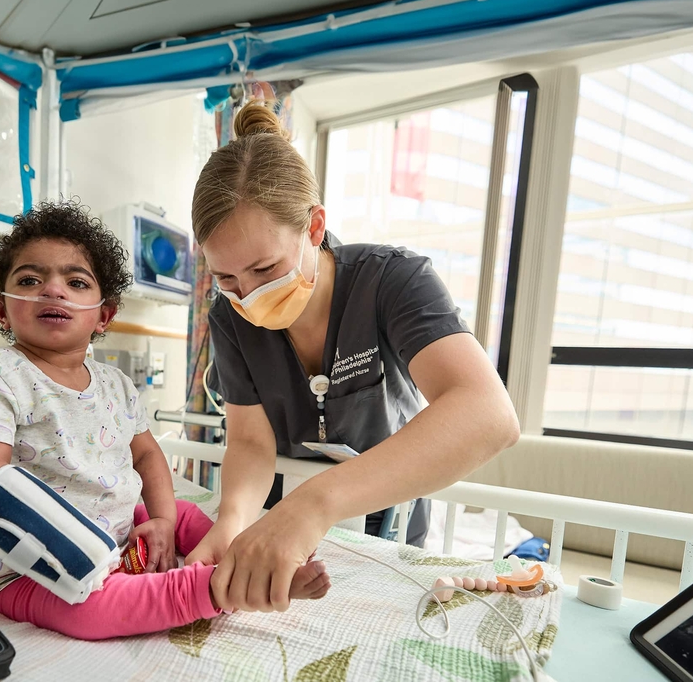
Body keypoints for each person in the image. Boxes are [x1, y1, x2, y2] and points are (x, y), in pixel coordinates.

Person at [0, 201, 330, 639]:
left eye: (76, 281)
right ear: (0, 308)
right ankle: (219, 588)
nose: (53, 290)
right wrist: (85, 556)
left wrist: (159, 520)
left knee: (183, 514)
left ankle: (259, 553)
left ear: (104, 315)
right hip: (26, 564)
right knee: (93, 609)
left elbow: (147, 454)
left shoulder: (115, 385)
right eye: (30, 279)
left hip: (118, 524)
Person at [183, 103, 521, 614]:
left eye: (265, 268)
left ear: (314, 226)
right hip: (283, 518)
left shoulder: (393, 281)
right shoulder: (228, 318)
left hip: (387, 517)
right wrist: (232, 520)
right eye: (227, 278)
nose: (248, 296)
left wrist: (313, 504)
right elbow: (252, 441)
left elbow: (487, 415)